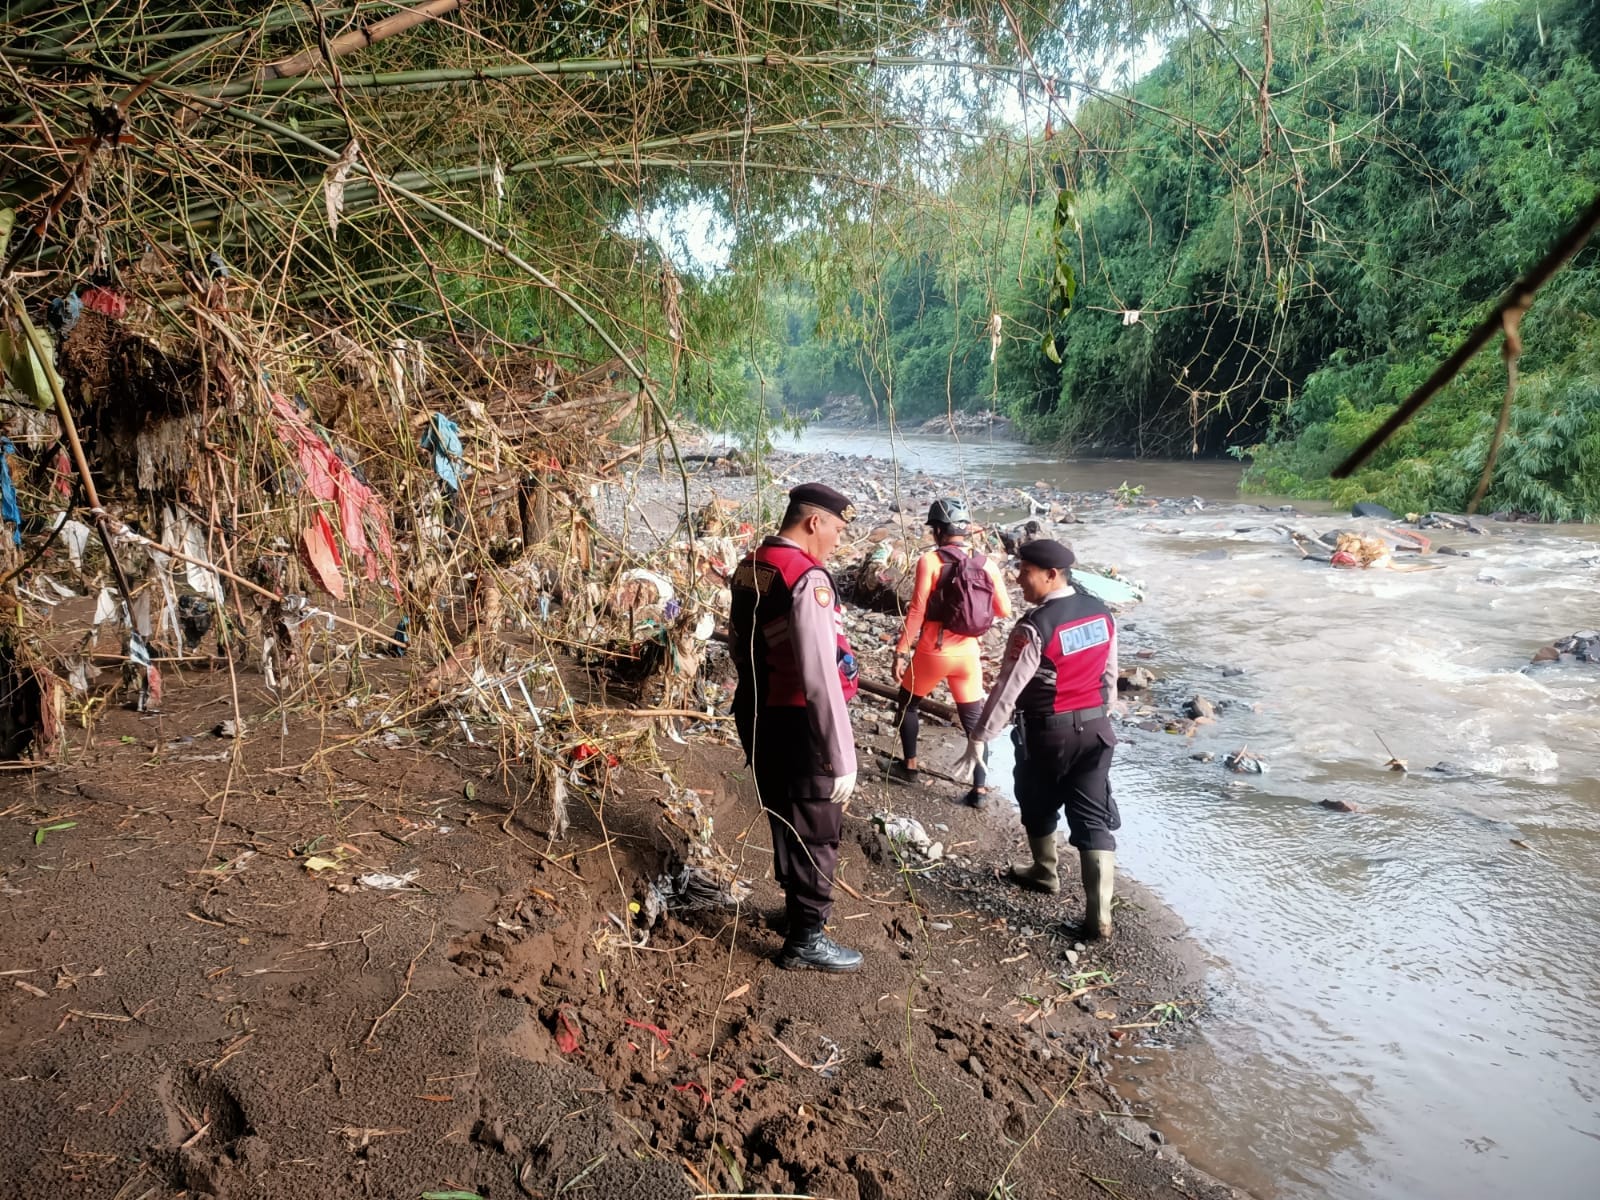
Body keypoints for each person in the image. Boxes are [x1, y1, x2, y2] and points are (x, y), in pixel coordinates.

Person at [951, 539, 1121, 940]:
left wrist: (980, 735)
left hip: (1048, 733)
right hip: (1097, 731)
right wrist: (1101, 713)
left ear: (1051, 575)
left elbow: (1008, 688)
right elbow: (1109, 674)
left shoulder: (1035, 626)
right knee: (1092, 816)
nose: (1018, 578)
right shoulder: (1101, 613)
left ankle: (1045, 872)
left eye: (1025, 572)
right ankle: (1099, 919)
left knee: (1035, 797)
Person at [728, 482, 863, 972]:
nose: (837, 541)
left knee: (784, 816)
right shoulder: (806, 577)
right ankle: (806, 937)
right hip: (802, 722)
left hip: (758, 712)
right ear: (813, 522)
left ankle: (795, 913)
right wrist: (842, 755)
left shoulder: (753, 564)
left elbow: (737, 641)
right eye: (837, 530)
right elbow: (820, 675)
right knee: (816, 827)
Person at [889, 497, 1012, 805]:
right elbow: (1004, 610)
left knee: (908, 704)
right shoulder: (986, 563)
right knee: (974, 722)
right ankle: (979, 790)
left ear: (938, 531)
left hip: (934, 650)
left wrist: (901, 651)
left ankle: (910, 766)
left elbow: (917, 612)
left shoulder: (930, 561)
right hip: (968, 655)